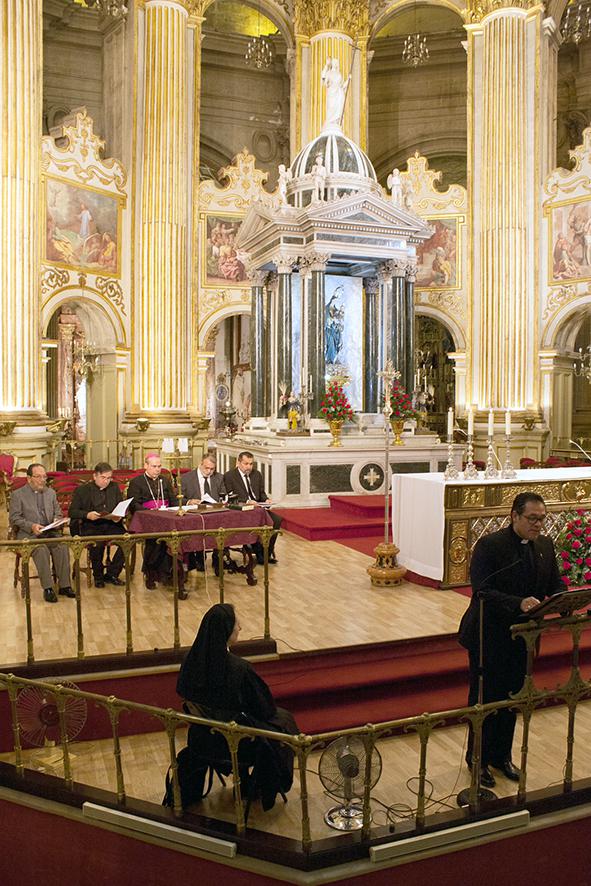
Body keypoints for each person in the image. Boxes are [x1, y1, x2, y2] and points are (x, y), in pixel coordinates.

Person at [458, 492, 563, 787]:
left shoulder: (544, 545)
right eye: (532, 518)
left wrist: (565, 599)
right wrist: (518, 603)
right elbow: (482, 589)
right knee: (486, 700)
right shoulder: (490, 546)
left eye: (542, 519)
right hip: (489, 635)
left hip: (525, 638)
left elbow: (554, 584)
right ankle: (477, 759)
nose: (538, 525)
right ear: (514, 516)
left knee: (512, 698)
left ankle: (501, 756)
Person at [176, 604, 298, 811]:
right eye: (236, 624)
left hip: (203, 738)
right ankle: (263, 783)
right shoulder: (238, 668)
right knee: (284, 722)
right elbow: (264, 708)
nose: (240, 628)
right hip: (237, 745)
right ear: (226, 631)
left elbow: (182, 691)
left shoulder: (190, 659)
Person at [9, 463, 74, 603]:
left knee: (62, 546)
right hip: (29, 535)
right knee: (41, 550)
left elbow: (58, 512)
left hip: (49, 532)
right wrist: (31, 526)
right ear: (29, 478)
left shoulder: (50, 492)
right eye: (38, 476)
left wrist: (57, 520)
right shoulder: (18, 495)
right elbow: (14, 518)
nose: (42, 480)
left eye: (44, 477)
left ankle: (65, 585)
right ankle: (48, 588)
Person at [69, 462, 126, 588]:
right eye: (103, 478)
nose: (106, 481)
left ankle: (112, 573)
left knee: (128, 541)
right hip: (91, 525)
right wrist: (87, 514)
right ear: (95, 476)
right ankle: (98, 576)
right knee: (98, 543)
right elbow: (72, 511)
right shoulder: (82, 490)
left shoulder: (114, 487)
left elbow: (120, 506)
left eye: (109, 478)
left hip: (111, 524)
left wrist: (118, 517)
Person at [128, 453, 176, 589]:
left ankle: (167, 573)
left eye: (159, 466)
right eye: (154, 466)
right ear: (146, 466)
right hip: (146, 518)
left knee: (174, 539)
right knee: (155, 540)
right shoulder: (136, 482)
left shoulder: (165, 480)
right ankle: (150, 573)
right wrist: (150, 513)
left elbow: (172, 499)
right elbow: (134, 504)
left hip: (167, 517)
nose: (157, 469)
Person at [224, 451, 281, 565]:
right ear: (238, 462)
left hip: (259, 509)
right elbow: (230, 497)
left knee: (276, 520)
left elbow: (261, 493)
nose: (248, 467)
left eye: (251, 464)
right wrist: (247, 502)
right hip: (242, 510)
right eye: (246, 464)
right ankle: (257, 551)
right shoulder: (229, 476)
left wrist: (266, 500)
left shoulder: (257, 474)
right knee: (256, 522)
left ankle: (266, 553)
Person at [181, 454, 227, 573]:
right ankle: (199, 557)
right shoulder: (186, 478)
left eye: (212, 469)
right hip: (195, 514)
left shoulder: (219, 477)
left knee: (224, 525)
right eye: (206, 468)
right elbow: (179, 499)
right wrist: (190, 501)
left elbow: (223, 495)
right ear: (200, 464)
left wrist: (221, 501)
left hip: (215, 513)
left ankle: (218, 558)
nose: (209, 471)